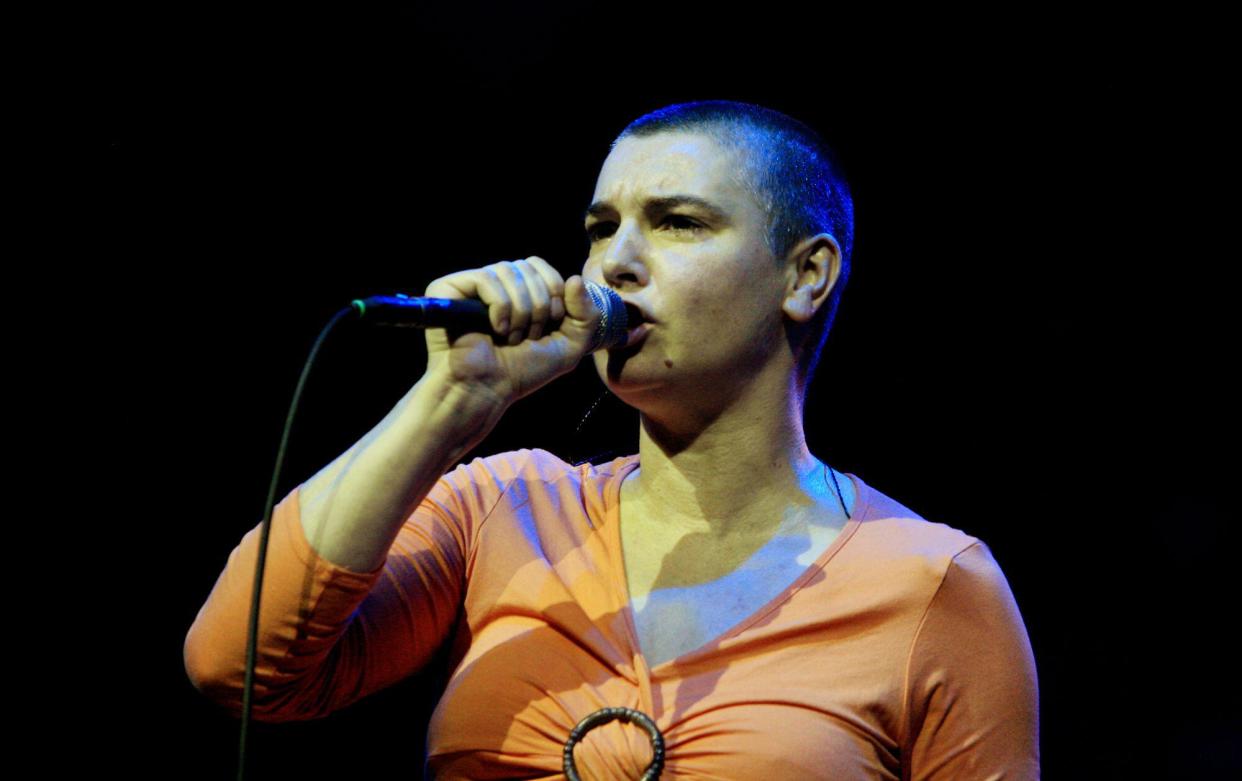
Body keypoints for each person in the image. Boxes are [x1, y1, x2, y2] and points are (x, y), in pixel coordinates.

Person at [185, 100, 1040, 779]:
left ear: (806, 275)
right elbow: (240, 666)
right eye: (601, 228)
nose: (614, 265)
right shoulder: (501, 511)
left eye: (676, 223)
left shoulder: (931, 583)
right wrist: (448, 400)